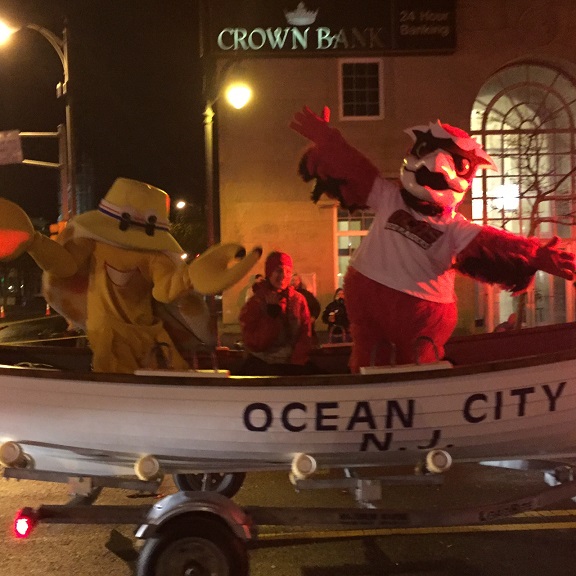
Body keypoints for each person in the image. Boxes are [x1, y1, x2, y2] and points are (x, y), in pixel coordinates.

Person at [291, 106, 575, 371]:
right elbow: (357, 169)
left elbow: (494, 242)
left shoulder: (453, 227)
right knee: (369, 355)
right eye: (426, 150)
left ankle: (421, 399)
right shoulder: (390, 198)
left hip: (420, 313)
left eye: (458, 163)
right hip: (370, 301)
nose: (435, 166)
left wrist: (535, 253)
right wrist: (329, 141)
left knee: (417, 360)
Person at [238, 251, 315, 375]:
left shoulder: (298, 300)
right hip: (262, 364)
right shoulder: (256, 302)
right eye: (279, 270)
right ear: (269, 273)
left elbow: (305, 335)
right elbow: (254, 342)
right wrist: (271, 318)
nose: (284, 275)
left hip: (292, 365)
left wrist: (297, 363)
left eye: (288, 271)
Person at [291, 273, 321, 345]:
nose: (294, 282)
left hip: (306, 326)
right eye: (292, 280)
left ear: (299, 281)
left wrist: (313, 317)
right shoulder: (288, 294)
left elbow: (316, 306)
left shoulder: (307, 294)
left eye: (296, 280)